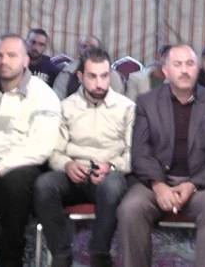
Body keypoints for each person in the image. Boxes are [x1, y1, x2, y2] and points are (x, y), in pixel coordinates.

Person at [117, 44, 205, 267]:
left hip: (201, 184)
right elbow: (140, 151)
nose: (184, 70)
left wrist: (192, 185)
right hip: (156, 182)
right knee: (130, 209)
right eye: (177, 64)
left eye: (190, 64)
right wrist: (158, 185)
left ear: (198, 68)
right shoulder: (147, 103)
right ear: (165, 70)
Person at [34, 48, 135, 267]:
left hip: (109, 175)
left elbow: (133, 153)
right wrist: (67, 165)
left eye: (104, 76)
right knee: (43, 185)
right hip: (74, 174)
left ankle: (99, 256)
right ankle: (61, 256)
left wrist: (111, 166)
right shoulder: (65, 107)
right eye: (92, 76)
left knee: (112, 186)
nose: (99, 83)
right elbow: (54, 151)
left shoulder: (126, 108)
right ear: (80, 76)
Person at [0, 34, 62, 267]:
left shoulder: (42, 94)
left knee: (13, 184)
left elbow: (40, 147)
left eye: (11, 55)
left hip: (24, 165)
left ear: (25, 60)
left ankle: (10, 258)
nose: (4, 60)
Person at [53, 35, 124, 99]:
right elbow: (58, 96)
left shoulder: (111, 74)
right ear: (79, 50)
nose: (88, 49)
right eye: (84, 46)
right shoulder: (68, 72)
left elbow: (118, 99)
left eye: (92, 47)